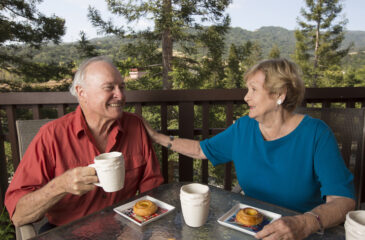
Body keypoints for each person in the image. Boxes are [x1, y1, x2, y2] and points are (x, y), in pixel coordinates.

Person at [142, 58, 355, 239]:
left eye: (253, 89)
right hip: (249, 229)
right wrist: (156, 137)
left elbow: (343, 200)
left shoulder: (316, 134)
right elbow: (200, 150)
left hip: (299, 234)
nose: (246, 97)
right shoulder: (244, 128)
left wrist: (304, 224)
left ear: (279, 93)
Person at [5, 56, 164, 231]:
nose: (120, 95)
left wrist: (135, 229)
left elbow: (152, 189)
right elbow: (18, 215)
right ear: (82, 93)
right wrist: (61, 185)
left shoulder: (136, 125)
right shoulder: (51, 136)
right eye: (109, 88)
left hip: (125, 230)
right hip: (68, 234)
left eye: (122, 87)